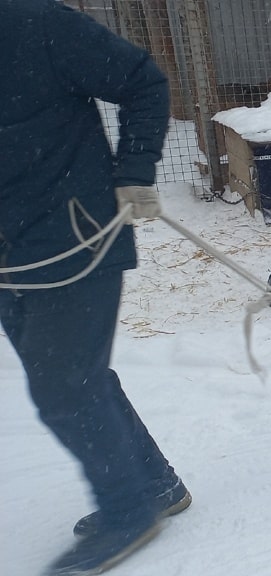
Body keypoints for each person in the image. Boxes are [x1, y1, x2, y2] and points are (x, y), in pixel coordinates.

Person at [1, 1, 190, 574]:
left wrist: (135, 171)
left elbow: (142, 83)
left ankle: (127, 511)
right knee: (70, 375)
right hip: (8, 258)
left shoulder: (34, 24)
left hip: (78, 236)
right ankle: (155, 485)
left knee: (64, 387)